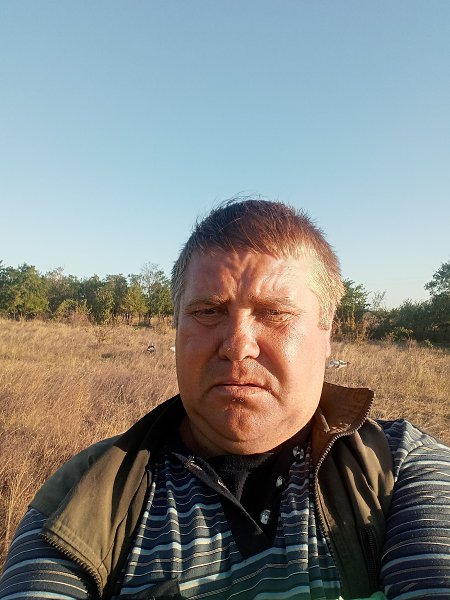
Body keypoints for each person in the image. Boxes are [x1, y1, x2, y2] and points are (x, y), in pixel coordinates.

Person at [1, 199, 449, 600]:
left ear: (326, 330)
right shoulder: (84, 504)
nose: (238, 346)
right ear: (177, 325)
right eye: (208, 311)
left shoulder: (400, 468)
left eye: (274, 313)